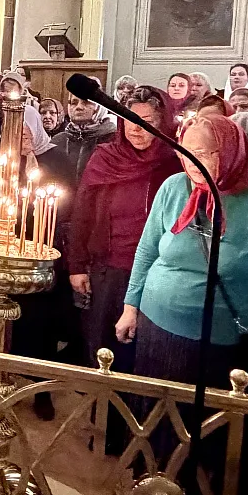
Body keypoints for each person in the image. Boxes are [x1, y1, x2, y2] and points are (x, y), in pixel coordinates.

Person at [118, 112, 248, 386]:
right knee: (155, 417)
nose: (191, 162)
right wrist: (130, 307)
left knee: (211, 422)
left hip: (224, 342)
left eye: (204, 153)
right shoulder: (174, 187)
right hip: (157, 329)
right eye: (184, 151)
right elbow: (147, 251)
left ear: (232, 150)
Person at [70, 86, 181, 373]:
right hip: (108, 268)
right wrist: (77, 265)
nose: (137, 128)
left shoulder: (175, 162)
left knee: (145, 352)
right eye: (131, 119)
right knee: (104, 350)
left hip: (158, 272)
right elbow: (82, 213)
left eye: (148, 121)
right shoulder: (106, 157)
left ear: (164, 122)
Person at [57, 90, 116, 185]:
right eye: (73, 103)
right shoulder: (58, 141)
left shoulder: (113, 141)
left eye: (86, 102)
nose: (79, 107)